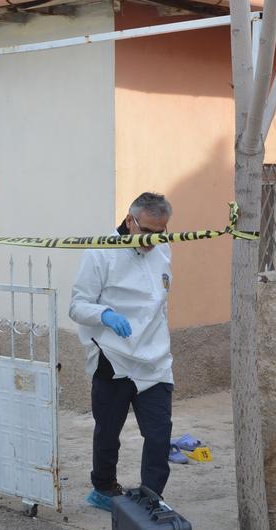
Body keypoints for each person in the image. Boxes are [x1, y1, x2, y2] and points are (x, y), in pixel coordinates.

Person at [69, 192, 175, 511]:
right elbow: (77, 306)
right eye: (148, 232)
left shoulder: (163, 250)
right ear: (130, 221)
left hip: (154, 359)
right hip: (112, 357)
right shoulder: (100, 253)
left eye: (162, 232)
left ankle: (151, 496)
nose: (154, 240)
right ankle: (104, 487)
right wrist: (105, 315)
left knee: (159, 434)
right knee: (108, 431)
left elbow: (160, 300)